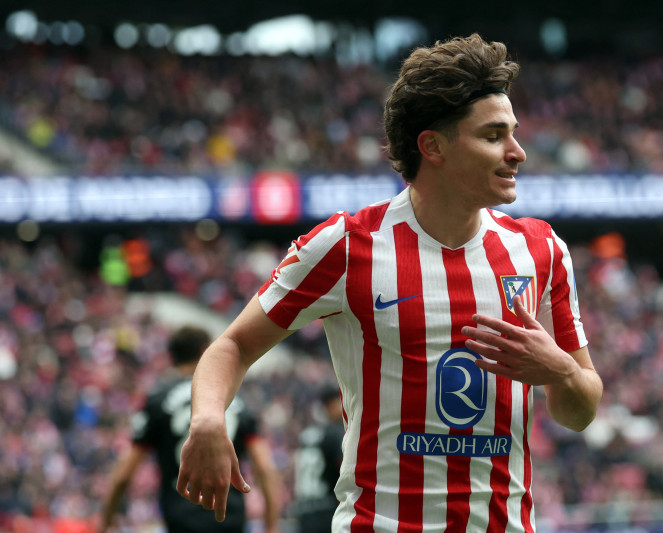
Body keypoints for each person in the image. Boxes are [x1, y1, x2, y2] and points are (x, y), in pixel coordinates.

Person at [177, 33, 603, 531]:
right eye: (493, 135)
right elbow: (232, 345)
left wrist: (561, 372)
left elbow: (581, 411)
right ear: (433, 146)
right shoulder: (345, 245)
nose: (518, 152)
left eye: (513, 132)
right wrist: (207, 416)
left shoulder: (541, 249)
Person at [99, 326, 282, 533]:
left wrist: (106, 521)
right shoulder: (235, 400)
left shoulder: (157, 400)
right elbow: (265, 468)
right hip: (229, 516)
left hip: (180, 518)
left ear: (172, 356)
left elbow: (124, 474)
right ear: (206, 351)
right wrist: (272, 525)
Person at [292, 384, 345, 533]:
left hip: (305, 511)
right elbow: (344, 468)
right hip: (329, 510)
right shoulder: (336, 433)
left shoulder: (308, 435)